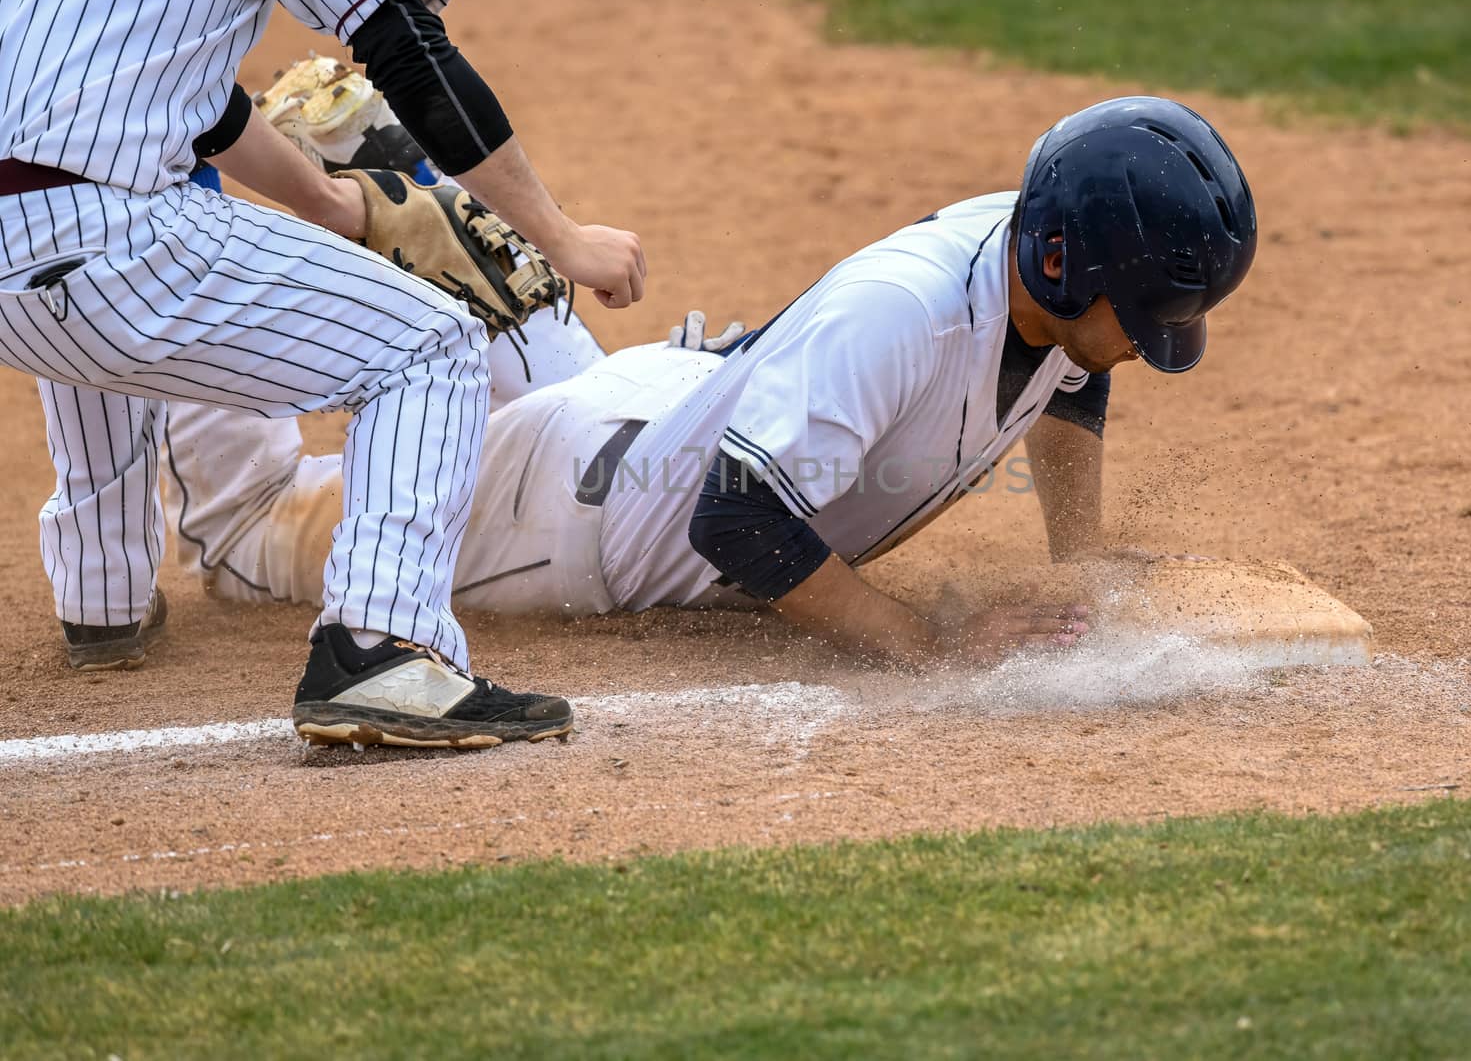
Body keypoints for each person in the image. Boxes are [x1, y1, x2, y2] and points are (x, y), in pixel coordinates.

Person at [164, 96, 1256, 667]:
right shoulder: (904, 311)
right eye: (1145, 317)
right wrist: (929, 646)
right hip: (561, 523)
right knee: (254, 536)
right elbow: (734, 519)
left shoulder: (1044, 268)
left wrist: (1083, 558)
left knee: (497, 316)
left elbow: (1077, 365)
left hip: (652, 410)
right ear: (1068, 264)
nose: (1144, 346)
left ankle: (401, 183)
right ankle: (183, 205)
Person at [0, 0, 646, 748]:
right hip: (109, 240)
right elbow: (410, 53)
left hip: (33, 268)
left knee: (81, 276)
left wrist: (331, 204)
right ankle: (380, 648)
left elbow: (156, 93)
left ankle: (101, 597)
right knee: (427, 346)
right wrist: (564, 241)